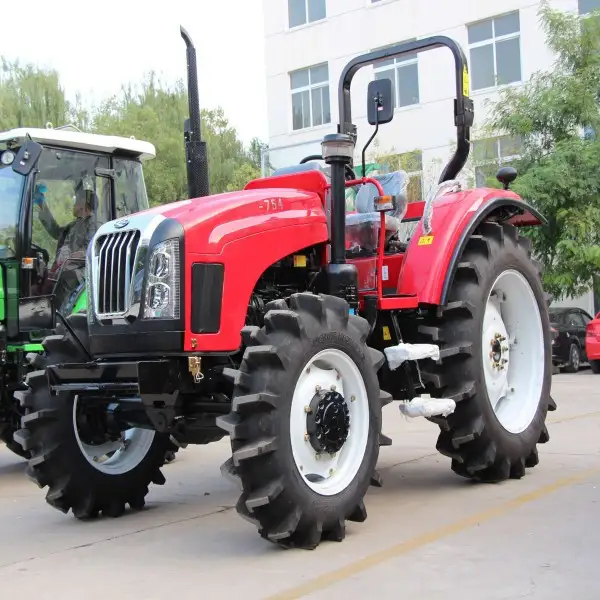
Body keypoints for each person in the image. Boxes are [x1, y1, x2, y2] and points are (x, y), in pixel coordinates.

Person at [34, 179, 98, 272]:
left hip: (75, 277)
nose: (73, 205)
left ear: (82, 204)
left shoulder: (94, 225)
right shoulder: (75, 225)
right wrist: (41, 204)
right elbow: (56, 232)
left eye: (76, 201)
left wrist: (69, 256)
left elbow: (91, 252)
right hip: (62, 271)